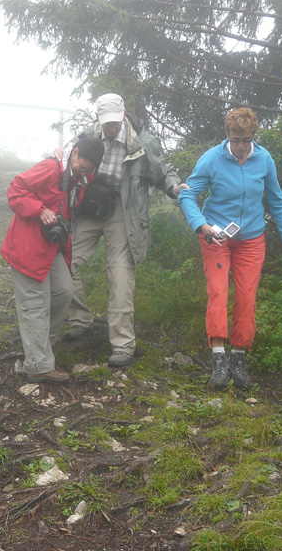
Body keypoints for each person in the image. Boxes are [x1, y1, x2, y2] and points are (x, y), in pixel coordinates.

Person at [177, 107, 282, 390]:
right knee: (219, 292)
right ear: (227, 135)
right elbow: (187, 194)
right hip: (216, 238)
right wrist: (202, 226)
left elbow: (277, 201)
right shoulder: (211, 159)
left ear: (253, 136)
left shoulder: (264, 159)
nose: (241, 146)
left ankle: (238, 359)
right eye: (236, 140)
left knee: (247, 297)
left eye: (246, 140)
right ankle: (218, 359)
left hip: (251, 239)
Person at [60, 93, 188, 368]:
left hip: (124, 208)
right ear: (97, 118)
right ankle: (80, 320)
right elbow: (65, 164)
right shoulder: (85, 139)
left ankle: (122, 345)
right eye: (107, 123)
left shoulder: (142, 140)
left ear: (124, 114)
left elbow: (161, 171)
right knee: (63, 259)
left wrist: (174, 187)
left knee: (119, 271)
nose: (112, 128)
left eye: (116, 122)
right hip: (89, 205)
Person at [0, 138, 105, 383]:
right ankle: (37, 366)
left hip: (50, 246)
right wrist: (40, 209)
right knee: (35, 302)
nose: (83, 172)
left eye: (88, 170)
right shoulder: (50, 168)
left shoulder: (79, 177)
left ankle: (41, 345)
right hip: (27, 245)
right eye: (81, 166)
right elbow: (15, 190)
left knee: (63, 290)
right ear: (74, 153)